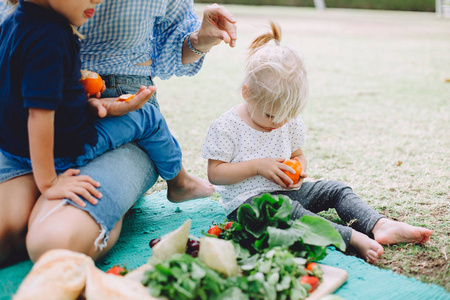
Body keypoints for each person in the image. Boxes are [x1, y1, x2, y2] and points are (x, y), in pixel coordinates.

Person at [0, 0, 237, 264]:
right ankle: (179, 181)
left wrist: (201, 39)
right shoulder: (50, 35)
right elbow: (39, 113)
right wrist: (49, 182)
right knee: (147, 119)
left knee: (52, 242)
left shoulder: (27, 21)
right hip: (49, 136)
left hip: (75, 111)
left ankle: (166, 185)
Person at [201, 22, 433, 263]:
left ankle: (379, 224)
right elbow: (215, 174)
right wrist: (258, 167)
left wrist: (299, 169)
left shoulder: (285, 120)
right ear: (247, 94)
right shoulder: (227, 126)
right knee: (289, 214)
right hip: (249, 206)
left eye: (286, 116)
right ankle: (350, 237)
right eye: (271, 116)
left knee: (336, 190)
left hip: (287, 192)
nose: (279, 124)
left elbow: (298, 154)